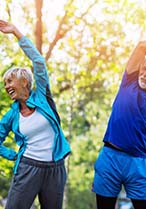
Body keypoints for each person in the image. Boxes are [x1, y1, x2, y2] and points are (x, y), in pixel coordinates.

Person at [92, 38, 146, 209]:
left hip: (138, 164)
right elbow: (142, 46)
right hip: (110, 158)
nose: (145, 73)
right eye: (144, 68)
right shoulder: (128, 83)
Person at [0, 20, 71, 209]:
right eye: (5, 83)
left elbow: (38, 61)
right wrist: (14, 156)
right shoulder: (11, 115)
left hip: (55, 168)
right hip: (28, 167)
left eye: (9, 81)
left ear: (24, 81)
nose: (6, 86)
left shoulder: (43, 98)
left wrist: (16, 32)